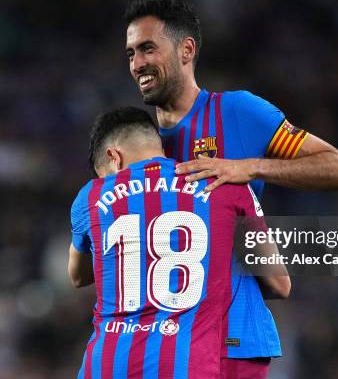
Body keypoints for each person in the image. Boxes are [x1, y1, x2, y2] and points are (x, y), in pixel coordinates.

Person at [124, 0, 338, 378]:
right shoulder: (132, 142)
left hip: (227, 338)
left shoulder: (238, 113)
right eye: (131, 53)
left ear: (187, 50)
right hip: (156, 341)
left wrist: (247, 167)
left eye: (148, 48)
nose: (137, 64)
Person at [68, 107, 290, 379]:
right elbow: (280, 283)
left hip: (106, 364)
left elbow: (77, 276)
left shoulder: (89, 197)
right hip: (187, 361)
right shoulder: (224, 182)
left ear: (113, 157)